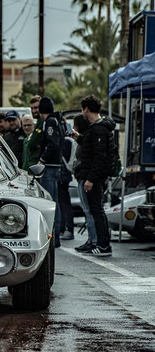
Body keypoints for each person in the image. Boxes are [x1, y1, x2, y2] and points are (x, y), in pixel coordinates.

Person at [76, 95, 115, 256]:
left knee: (97, 211)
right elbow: (92, 149)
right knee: (97, 210)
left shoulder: (98, 129)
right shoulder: (96, 128)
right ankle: (102, 244)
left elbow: (99, 157)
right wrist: (79, 138)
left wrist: (90, 179)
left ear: (86, 109)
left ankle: (104, 245)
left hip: (95, 178)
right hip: (94, 176)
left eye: (83, 109)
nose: (82, 112)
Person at [38, 96, 65, 248]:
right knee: (55, 201)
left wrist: (42, 159)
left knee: (49, 202)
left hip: (50, 166)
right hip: (56, 166)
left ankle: (53, 238)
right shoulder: (58, 121)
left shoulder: (50, 122)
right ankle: (56, 237)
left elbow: (52, 143)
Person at [71, 114, 98, 252]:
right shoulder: (86, 139)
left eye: (75, 125)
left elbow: (82, 160)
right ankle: (92, 240)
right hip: (84, 177)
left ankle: (93, 240)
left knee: (88, 211)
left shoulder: (86, 141)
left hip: (84, 178)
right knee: (90, 210)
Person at [59, 128, 77, 241]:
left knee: (64, 203)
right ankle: (65, 228)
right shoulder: (68, 140)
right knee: (63, 203)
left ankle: (67, 229)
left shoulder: (65, 141)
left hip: (62, 175)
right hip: (64, 175)